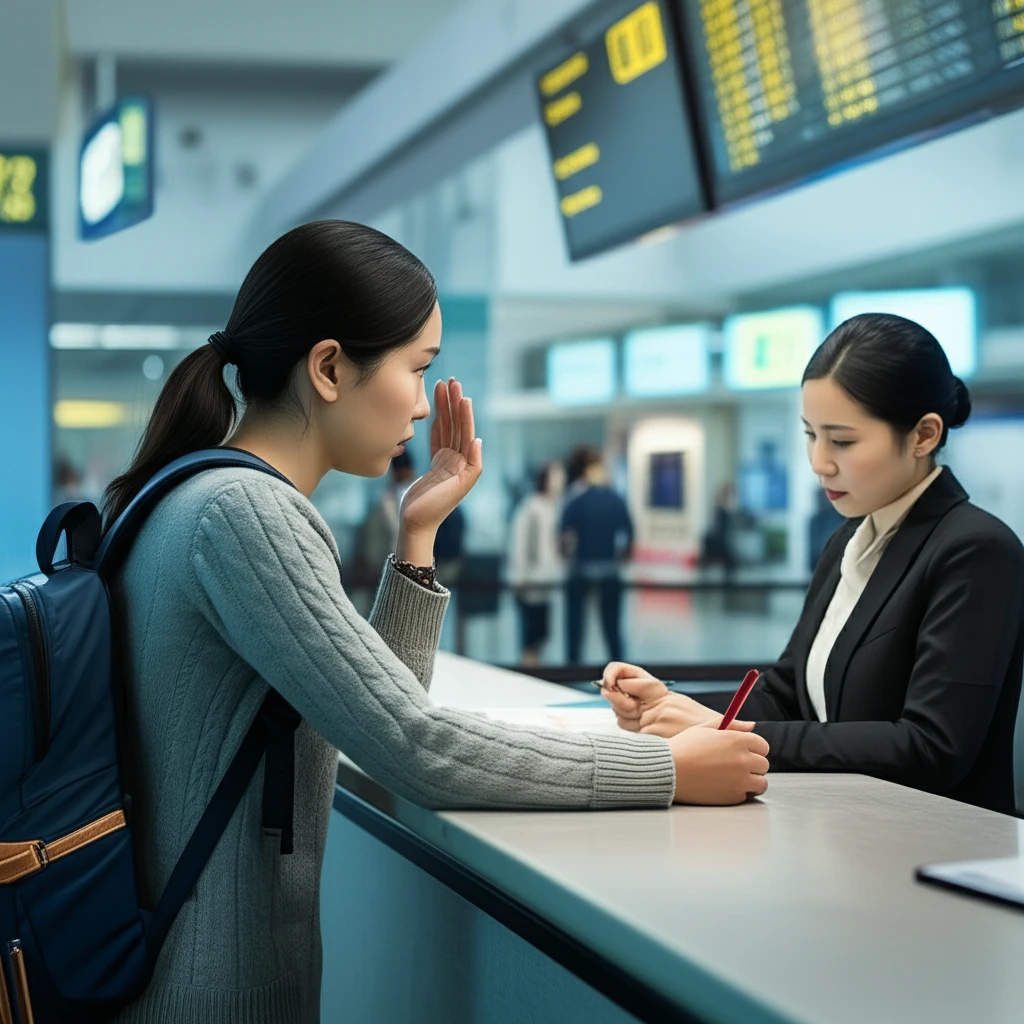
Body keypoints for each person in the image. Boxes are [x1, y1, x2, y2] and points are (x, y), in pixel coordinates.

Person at [103, 221, 769, 1024]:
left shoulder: (198, 494)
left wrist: (416, 536)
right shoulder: (246, 515)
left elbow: (377, 716)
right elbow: (414, 747)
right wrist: (667, 772)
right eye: (417, 370)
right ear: (328, 368)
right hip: (206, 995)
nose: (423, 405)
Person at [600, 312, 1024, 816]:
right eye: (810, 434)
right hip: (842, 832)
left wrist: (726, 732)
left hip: (929, 850)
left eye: (842, 440)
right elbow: (789, 694)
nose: (819, 461)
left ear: (924, 435)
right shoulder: (848, 539)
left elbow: (932, 748)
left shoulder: (976, 550)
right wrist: (668, 704)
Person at [560, 448, 634, 664]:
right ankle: (619, 669)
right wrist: (621, 557)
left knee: (576, 625)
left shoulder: (577, 501)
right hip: (610, 568)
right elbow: (630, 533)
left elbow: (564, 535)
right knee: (612, 625)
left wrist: (567, 557)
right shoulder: (616, 500)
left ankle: (573, 668)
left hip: (582, 567)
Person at [507, 462, 564, 665]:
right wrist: (520, 576)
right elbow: (520, 545)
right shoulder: (530, 509)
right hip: (531, 580)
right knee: (531, 631)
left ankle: (537, 664)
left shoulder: (553, 508)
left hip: (547, 580)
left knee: (543, 631)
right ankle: (530, 667)